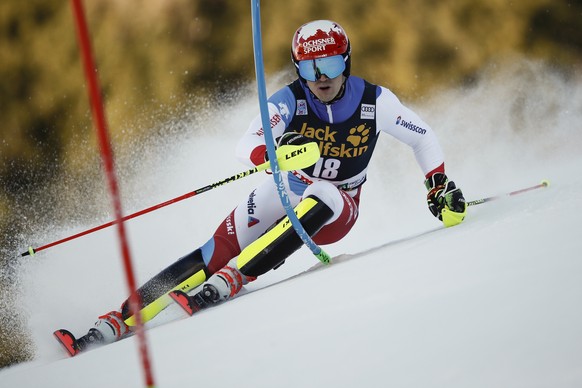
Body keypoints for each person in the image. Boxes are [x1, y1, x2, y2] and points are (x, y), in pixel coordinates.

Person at [56, 20, 466, 354]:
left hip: (338, 206)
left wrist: (436, 184)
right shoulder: (290, 101)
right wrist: (269, 155)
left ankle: (236, 278)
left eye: (330, 66)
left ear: (347, 62)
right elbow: (247, 143)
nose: (321, 78)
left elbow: (423, 136)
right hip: (290, 187)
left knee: (322, 191)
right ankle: (117, 319)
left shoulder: (375, 101)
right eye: (309, 68)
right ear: (297, 68)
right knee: (216, 248)